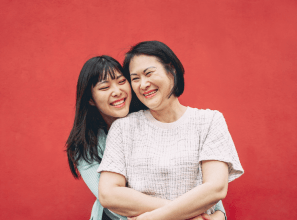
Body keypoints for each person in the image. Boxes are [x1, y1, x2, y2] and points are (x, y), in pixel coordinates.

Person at [66, 55, 227, 220]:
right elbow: (113, 201)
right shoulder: (84, 146)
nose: (117, 92)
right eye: (105, 87)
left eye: (122, 82)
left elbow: (198, 176)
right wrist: (190, 213)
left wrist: (218, 211)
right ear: (91, 99)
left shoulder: (153, 119)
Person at [97, 41, 244, 220]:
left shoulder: (209, 121)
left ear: (172, 70)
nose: (143, 84)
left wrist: (153, 218)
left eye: (149, 73)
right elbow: (109, 194)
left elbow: (216, 188)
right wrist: (190, 216)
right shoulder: (123, 128)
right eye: (135, 78)